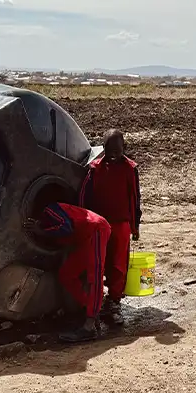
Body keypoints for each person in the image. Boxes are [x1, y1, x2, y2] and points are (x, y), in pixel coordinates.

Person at [79, 129, 142, 325]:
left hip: (122, 224)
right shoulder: (94, 169)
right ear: (103, 148)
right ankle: (93, 303)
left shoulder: (130, 169)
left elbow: (135, 199)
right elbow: (84, 199)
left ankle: (114, 302)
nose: (114, 154)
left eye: (118, 149)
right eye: (110, 149)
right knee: (97, 263)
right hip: (99, 225)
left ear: (124, 148)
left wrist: (135, 227)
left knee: (118, 264)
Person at [25, 201, 112, 343]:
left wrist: (40, 231)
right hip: (85, 236)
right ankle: (90, 309)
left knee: (94, 275)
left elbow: (66, 229)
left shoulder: (50, 209)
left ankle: (89, 327)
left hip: (97, 229)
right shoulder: (49, 219)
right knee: (67, 274)